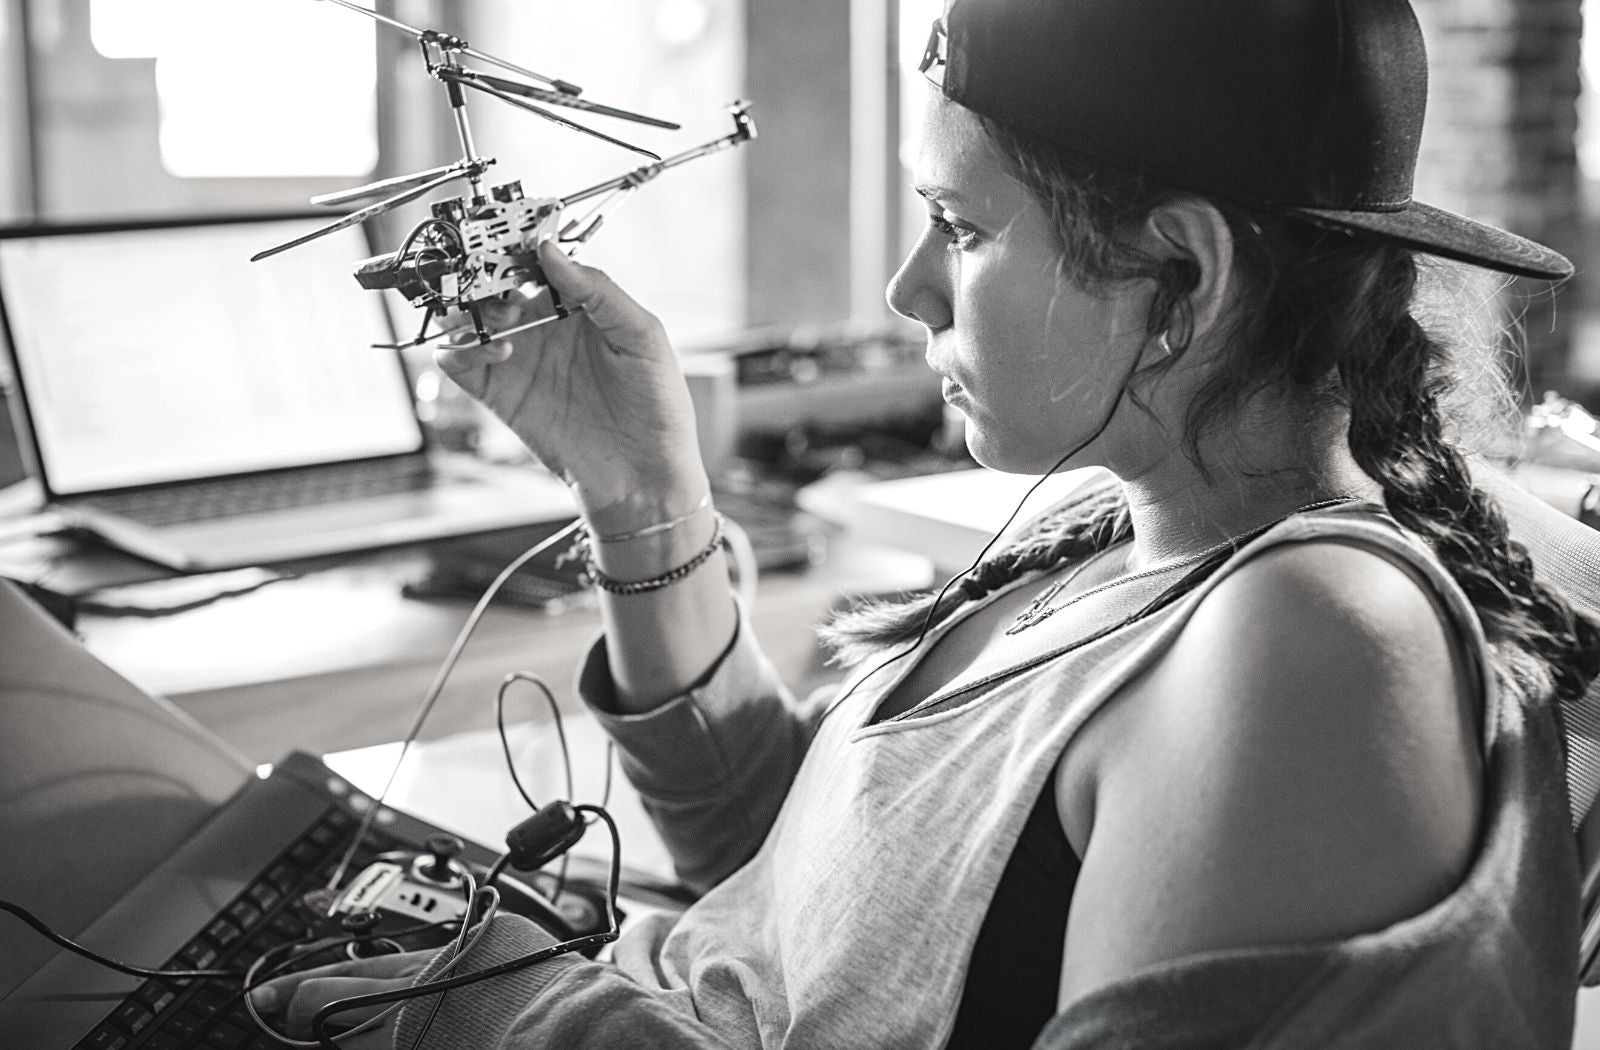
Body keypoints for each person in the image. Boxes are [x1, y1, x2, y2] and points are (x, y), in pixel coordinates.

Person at [35, 0, 1599, 1045]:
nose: (908, 291)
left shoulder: (1306, 652)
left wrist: (503, 1012)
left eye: (962, 227)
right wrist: (645, 494)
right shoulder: (1132, 524)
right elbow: (813, 894)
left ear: (1178, 282)